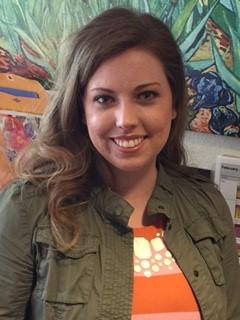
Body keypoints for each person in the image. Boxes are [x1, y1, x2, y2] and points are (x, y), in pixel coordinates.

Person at [0, 7, 239, 320]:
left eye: (146, 96)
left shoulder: (206, 203)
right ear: (81, 110)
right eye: (104, 99)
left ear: (174, 105)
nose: (126, 120)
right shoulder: (27, 206)